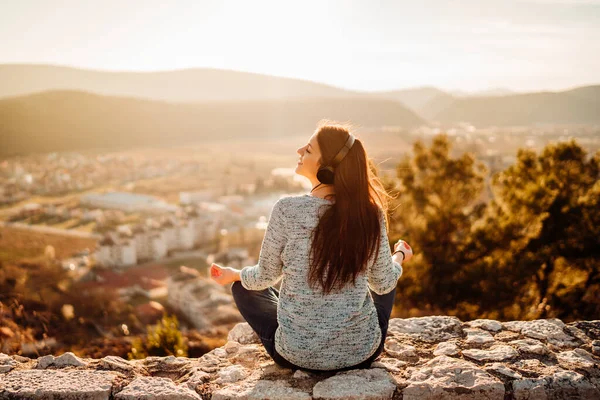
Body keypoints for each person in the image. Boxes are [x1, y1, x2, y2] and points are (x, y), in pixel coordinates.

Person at [208, 121, 413, 373]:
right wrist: (399, 256)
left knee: (243, 287)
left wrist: (234, 274)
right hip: (360, 354)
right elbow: (382, 284)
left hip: (295, 357)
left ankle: (300, 338)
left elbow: (264, 277)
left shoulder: (286, 210)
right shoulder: (370, 214)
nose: (298, 151)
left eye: (307, 150)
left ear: (326, 168)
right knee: (388, 278)